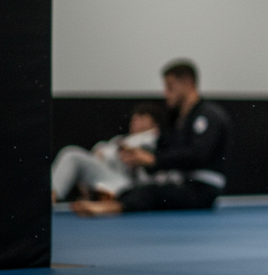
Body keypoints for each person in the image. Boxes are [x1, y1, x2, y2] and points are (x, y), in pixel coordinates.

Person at [72, 59, 231, 216]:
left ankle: (109, 208)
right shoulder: (176, 119)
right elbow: (163, 150)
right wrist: (139, 157)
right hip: (181, 182)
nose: (166, 93)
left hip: (203, 188)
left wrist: (153, 160)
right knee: (138, 187)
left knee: (153, 192)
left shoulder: (208, 115)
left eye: (170, 87)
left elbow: (197, 155)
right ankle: (111, 201)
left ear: (187, 83)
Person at [51, 102, 162, 203]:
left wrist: (104, 153)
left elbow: (118, 153)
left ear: (154, 124)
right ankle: (96, 193)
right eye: (134, 119)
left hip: (130, 185)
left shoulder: (153, 138)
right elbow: (100, 150)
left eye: (141, 119)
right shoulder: (122, 139)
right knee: (72, 156)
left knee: (72, 156)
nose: (135, 123)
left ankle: (48, 199)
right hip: (110, 177)